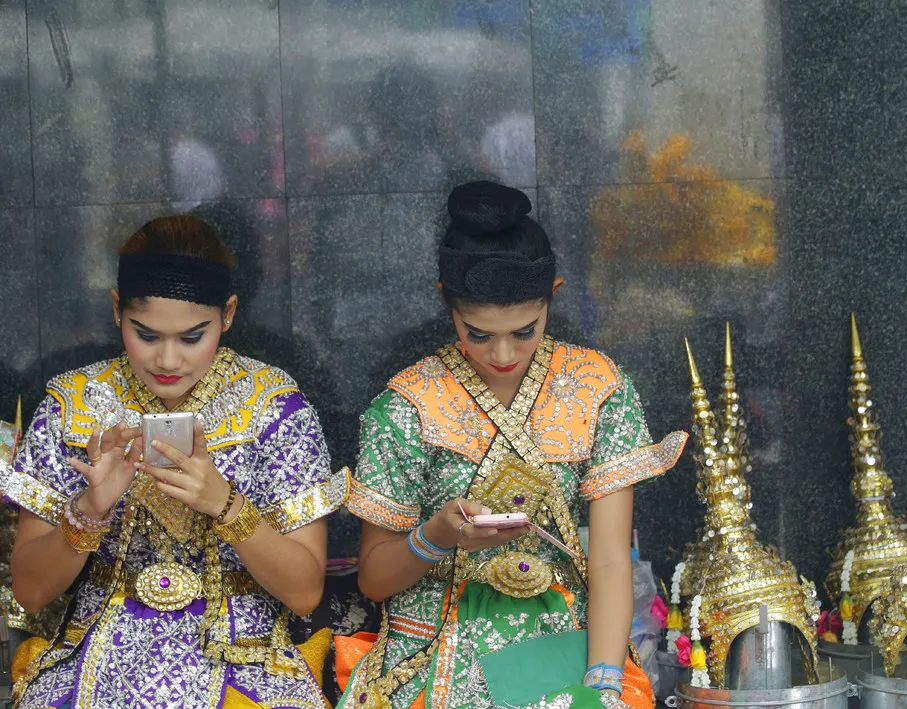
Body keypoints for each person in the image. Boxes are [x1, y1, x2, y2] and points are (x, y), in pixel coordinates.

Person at [337, 181, 687, 708]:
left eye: (525, 330)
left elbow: (611, 561)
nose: (503, 353)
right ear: (444, 302)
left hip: (562, 635)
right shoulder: (409, 406)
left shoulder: (597, 387)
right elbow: (374, 579)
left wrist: (605, 683)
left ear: (554, 296)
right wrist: (436, 535)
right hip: (435, 639)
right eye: (477, 333)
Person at [6, 215, 348, 708]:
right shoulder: (73, 405)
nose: (167, 361)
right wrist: (90, 510)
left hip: (242, 650)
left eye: (192, 337)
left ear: (227, 314)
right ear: (116, 310)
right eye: (146, 335)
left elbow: (304, 593)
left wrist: (225, 504)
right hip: (97, 647)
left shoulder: (273, 406)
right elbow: (31, 593)